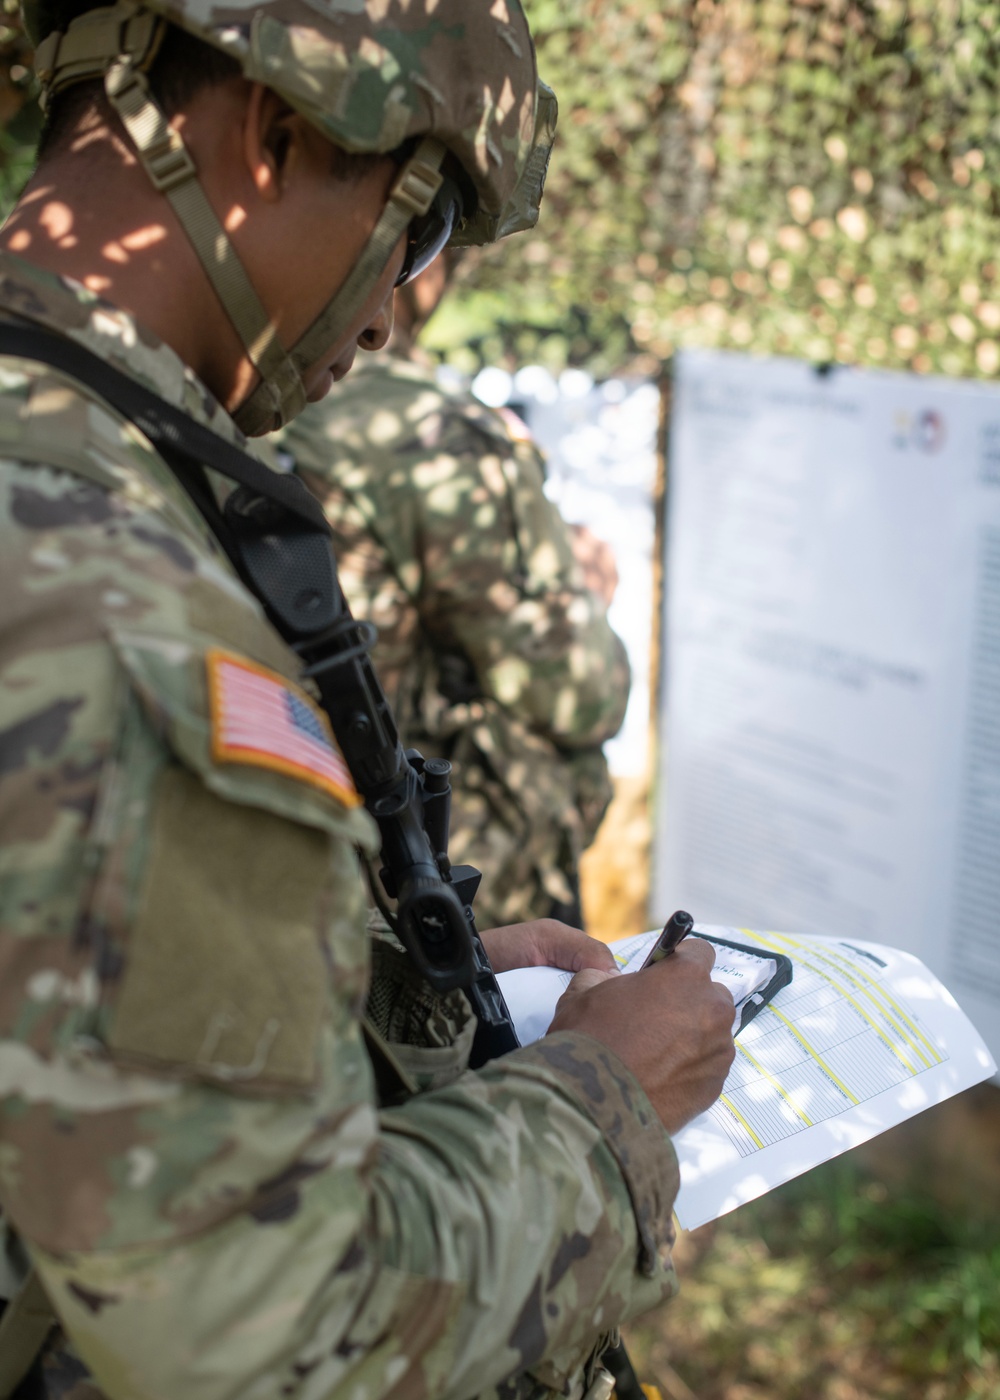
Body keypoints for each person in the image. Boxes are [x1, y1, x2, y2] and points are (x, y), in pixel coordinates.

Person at [0, 3, 737, 1400]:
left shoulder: (85, 463)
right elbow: (263, 1333)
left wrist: (374, 984)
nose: (398, 306)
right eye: (425, 227)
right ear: (285, 128)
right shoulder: (120, 594)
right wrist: (604, 1098)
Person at [276, 257, 630, 929]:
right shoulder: (427, 431)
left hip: (294, 838)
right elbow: (583, 696)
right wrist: (583, 587)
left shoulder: (235, 394)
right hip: (442, 892)